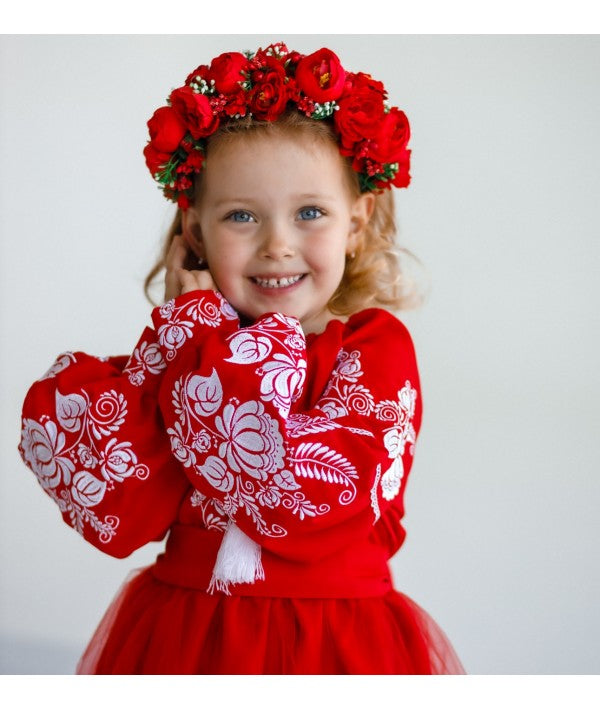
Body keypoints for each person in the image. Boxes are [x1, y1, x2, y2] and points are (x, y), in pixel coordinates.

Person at [17, 42, 465, 674]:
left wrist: (201, 342)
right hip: (184, 636)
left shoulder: (372, 351)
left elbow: (293, 495)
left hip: (332, 641)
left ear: (357, 223)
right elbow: (118, 505)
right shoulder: (183, 349)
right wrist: (178, 341)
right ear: (195, 232)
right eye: (241, 216)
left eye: (310, 212)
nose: (278, 244)